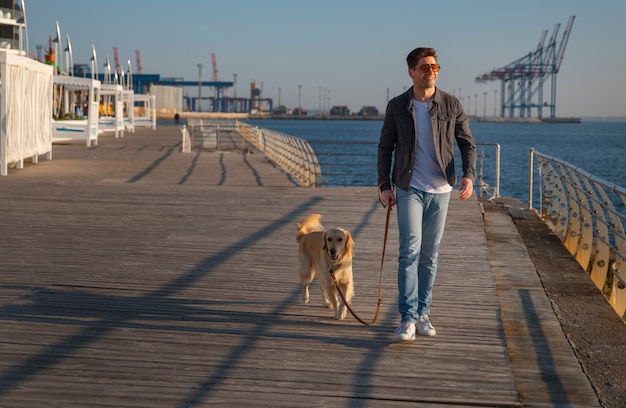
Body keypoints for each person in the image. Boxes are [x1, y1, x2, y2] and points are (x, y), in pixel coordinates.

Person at [377, 47, 477, 342]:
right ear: (411, 72)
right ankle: (407, 318)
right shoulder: (397, 106)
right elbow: (385, 147)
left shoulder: (451, 104)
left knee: (430, 256)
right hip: (409, 187)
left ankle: (423, 313)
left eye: (434, 66)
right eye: (424, 67)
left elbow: (467, 143)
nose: (431, 71)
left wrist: (469, 176)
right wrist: (384, 185)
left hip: (442, 189)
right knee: (409, 251)